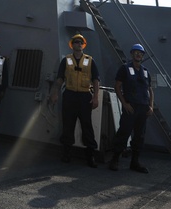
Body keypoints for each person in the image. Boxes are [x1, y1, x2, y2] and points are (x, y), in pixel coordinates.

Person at [48, 33, 101, 167]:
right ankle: (66, 154)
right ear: (72, 45)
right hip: (70, 96)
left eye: (80, 42)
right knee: (68, 125)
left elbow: (96, 79)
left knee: (87, 126)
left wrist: (95, 97)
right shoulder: (66, 60)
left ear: (83, 45)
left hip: (84, 97)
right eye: (76, 42)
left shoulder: (90, 60)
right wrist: (54, 94)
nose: (78, 44)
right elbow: (60, 79)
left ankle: (90, 156)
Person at [108, 43, 154, 173]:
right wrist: (124, 103)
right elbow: (117, 86)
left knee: (140, 136)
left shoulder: (145, 72)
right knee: (124, 132)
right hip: (131, 107)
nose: (138, 54)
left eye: (141, 53)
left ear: (143, 56)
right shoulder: (125, 68)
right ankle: (115, 159)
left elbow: (150, 90)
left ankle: (135, 162)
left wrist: (151, 106)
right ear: (132, 54)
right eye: (136, 52)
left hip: (143, 108)